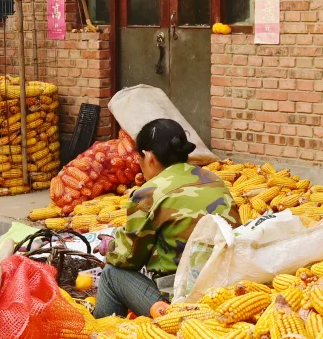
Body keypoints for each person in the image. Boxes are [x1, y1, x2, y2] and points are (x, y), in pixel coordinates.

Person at [95, 119, 234, 319]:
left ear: (149, 157)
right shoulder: (214, 180)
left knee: (111, 275)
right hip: (225, 291)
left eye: (140, 159)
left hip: (180, 302)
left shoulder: (149, 193)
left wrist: (111, 246)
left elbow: (128, 259)